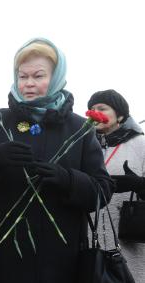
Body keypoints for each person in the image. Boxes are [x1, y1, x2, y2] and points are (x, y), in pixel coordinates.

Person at [0, 38, 114, 283]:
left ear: (56, 76)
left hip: (60, 263)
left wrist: (68, 180)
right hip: (1, 263)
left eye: (38, 76)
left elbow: (102, 190)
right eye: (22, 76)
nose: (28, 84)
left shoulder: (80, 128)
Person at [88, 89, 145, 282]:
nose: (95, 112)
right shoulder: (84, 146)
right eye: (91, 109)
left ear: (120, 115)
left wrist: (139, 185)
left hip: (130, 244)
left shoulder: (141, 144)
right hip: (90, 242)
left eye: (102, 108)